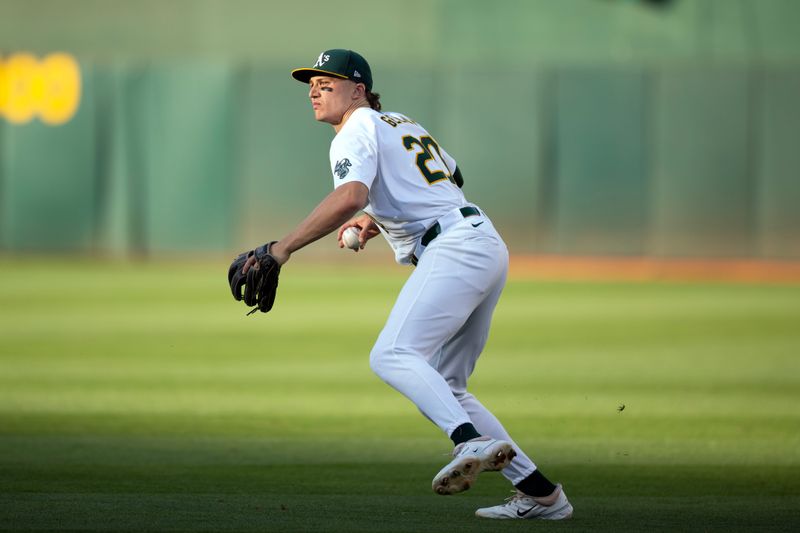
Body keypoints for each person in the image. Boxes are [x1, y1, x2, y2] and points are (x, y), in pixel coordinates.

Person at [244, 49, 573, 520]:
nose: (315, 89)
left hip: (455, 248)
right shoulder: (397, 122)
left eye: (327, 80)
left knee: (393, 354)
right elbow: (449, 177)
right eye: (311, 82)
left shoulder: (355, 126)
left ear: (358, 90)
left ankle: (469, 442)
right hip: (481, 241)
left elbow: (350, 194)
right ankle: (543, 495)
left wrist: (283, 247)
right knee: (449, 386)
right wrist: (373, 221)